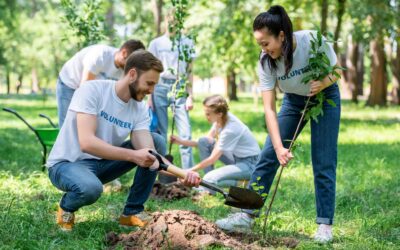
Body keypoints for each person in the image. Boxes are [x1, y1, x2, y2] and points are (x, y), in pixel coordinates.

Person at [215, 5, 341, 243]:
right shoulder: (265, 62)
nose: (263, 49)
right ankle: (245, 214)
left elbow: (337, 71)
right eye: (259, 44)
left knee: (324, 160)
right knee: (267, 155)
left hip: (325, 98)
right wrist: (279, 147)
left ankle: (325, 225)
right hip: (293, 102)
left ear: (281, 35)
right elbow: (269, 109)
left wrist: (323, 83)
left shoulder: (313, 40)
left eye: (265, 43)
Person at [46, 50, 201, 231]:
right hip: (67, 165)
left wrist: (182, 174)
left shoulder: (140, 108)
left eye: (154, 85)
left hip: (102, 165)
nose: (151, 90)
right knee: (90, 189)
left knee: (156, 140)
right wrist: (133, 156)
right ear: (132, 74)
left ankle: (132, 213)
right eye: (149, 83)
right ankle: (66, 207)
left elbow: (150, 153)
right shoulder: (93, 90)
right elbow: (87, 143)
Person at [171, 95, 260, 192]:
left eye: (208, 114)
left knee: (210, 178)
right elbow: (205, 141)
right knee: (203, 141)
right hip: (236, 158)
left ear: (219, 114)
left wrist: (188, 171)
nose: (206, 117)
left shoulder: (230, 129)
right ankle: (208, 185)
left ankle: (214, 185)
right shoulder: (220, 120)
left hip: (250, 164)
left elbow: (212, 159)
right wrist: (180, 141)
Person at [56, 39, 145, 127]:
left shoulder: (126, 70)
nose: (133, 67)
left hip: (88, 88)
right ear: (124, 53)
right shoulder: (100, 55)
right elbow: (84, 88)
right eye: (132, 62)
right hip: (69, 83)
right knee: (68, 123)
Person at [148, 9, 195, 173]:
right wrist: (149, 97)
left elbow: (190, 71)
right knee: (161, 132)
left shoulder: (187, 43)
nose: (172, 23)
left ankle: (188, 172)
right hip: (159, 86)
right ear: (165, 21)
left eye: (176, 20)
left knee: (185, 134)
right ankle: (161, 171)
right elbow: (149, 69)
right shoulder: (156, 43)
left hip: (180, 86)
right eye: (170, 19)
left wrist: (190, 95)